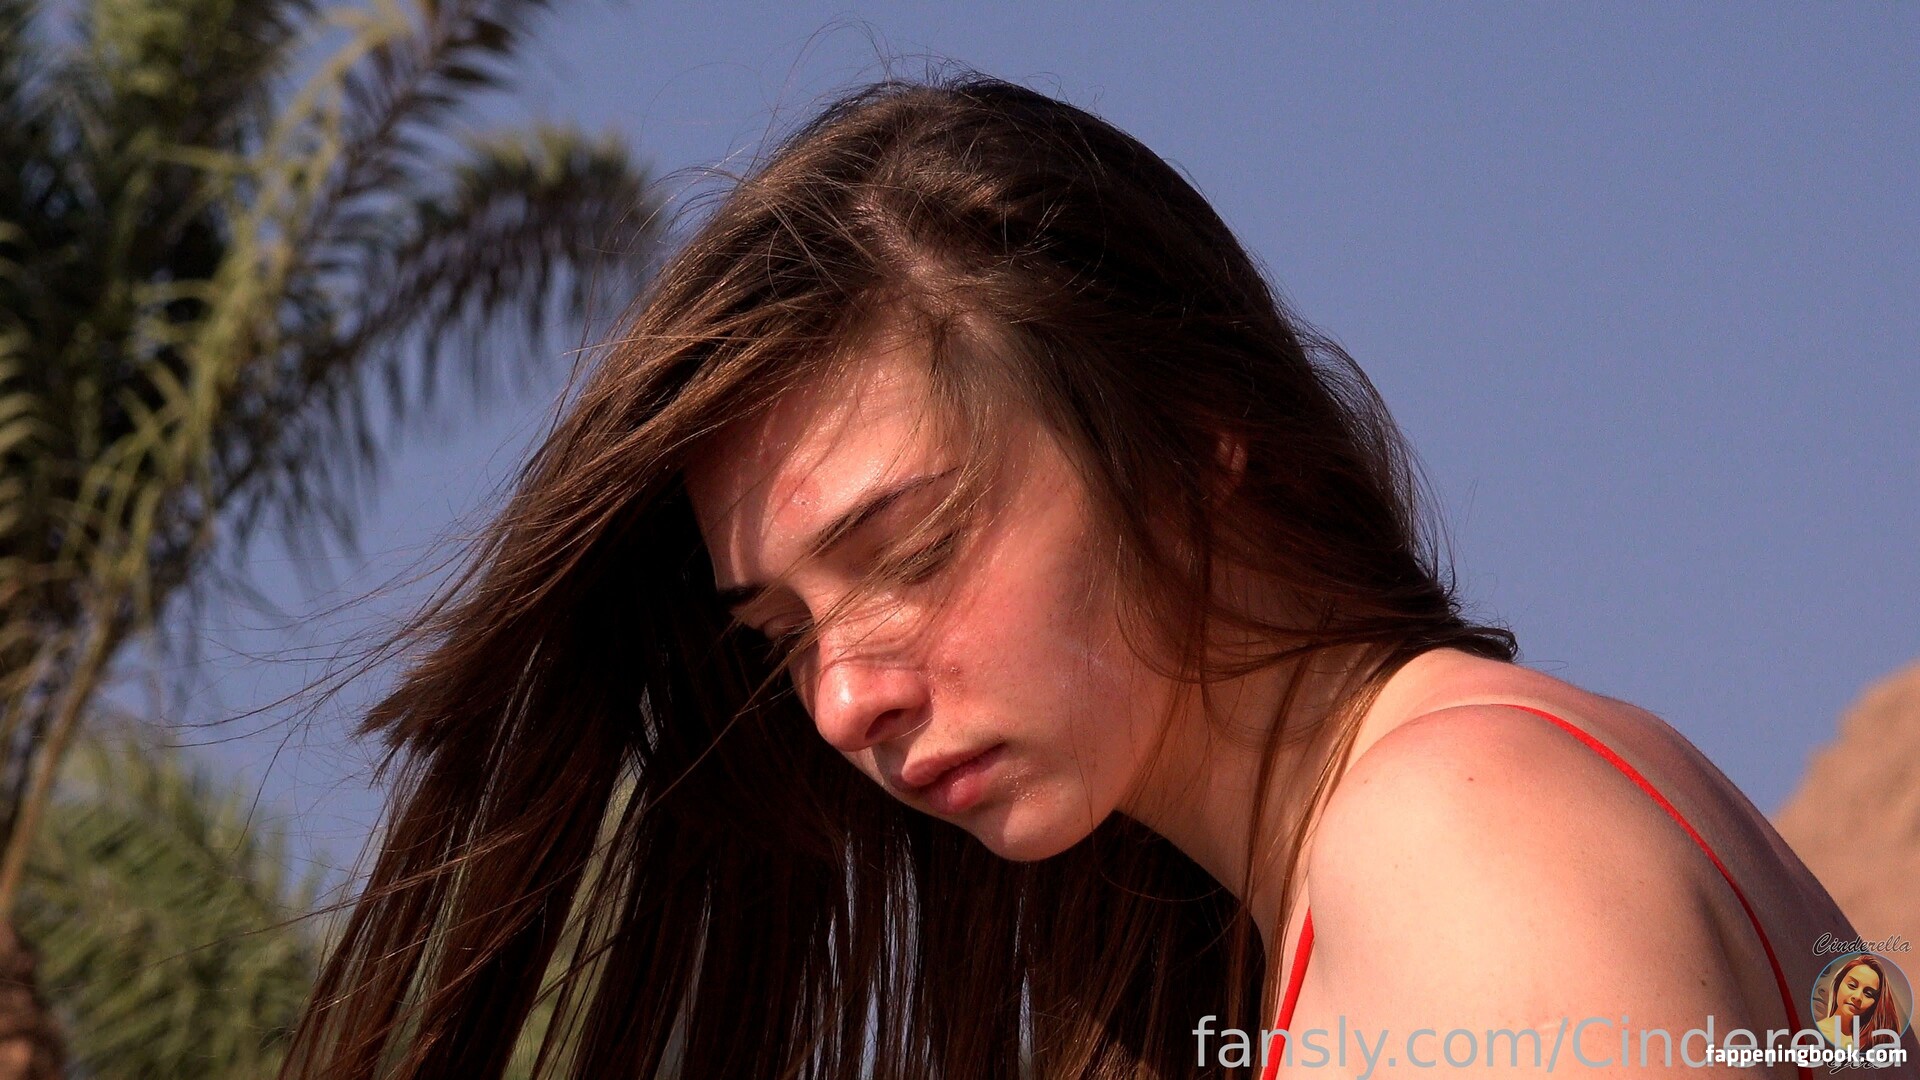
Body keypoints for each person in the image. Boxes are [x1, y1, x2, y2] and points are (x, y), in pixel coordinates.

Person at [277, 74, 1882, 1080]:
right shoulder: (1453, 824)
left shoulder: (1461, 844)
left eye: (907, 550)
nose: (841, 700)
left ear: (1190, 428)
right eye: (782, 634)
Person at [1818, 954, 1907, 1053]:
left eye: (1868, 994)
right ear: (1838, 985)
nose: (1857, 997)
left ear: (1875, 1004)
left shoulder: (1875, 1043)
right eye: (1852, 985)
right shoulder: (1817, 1033)